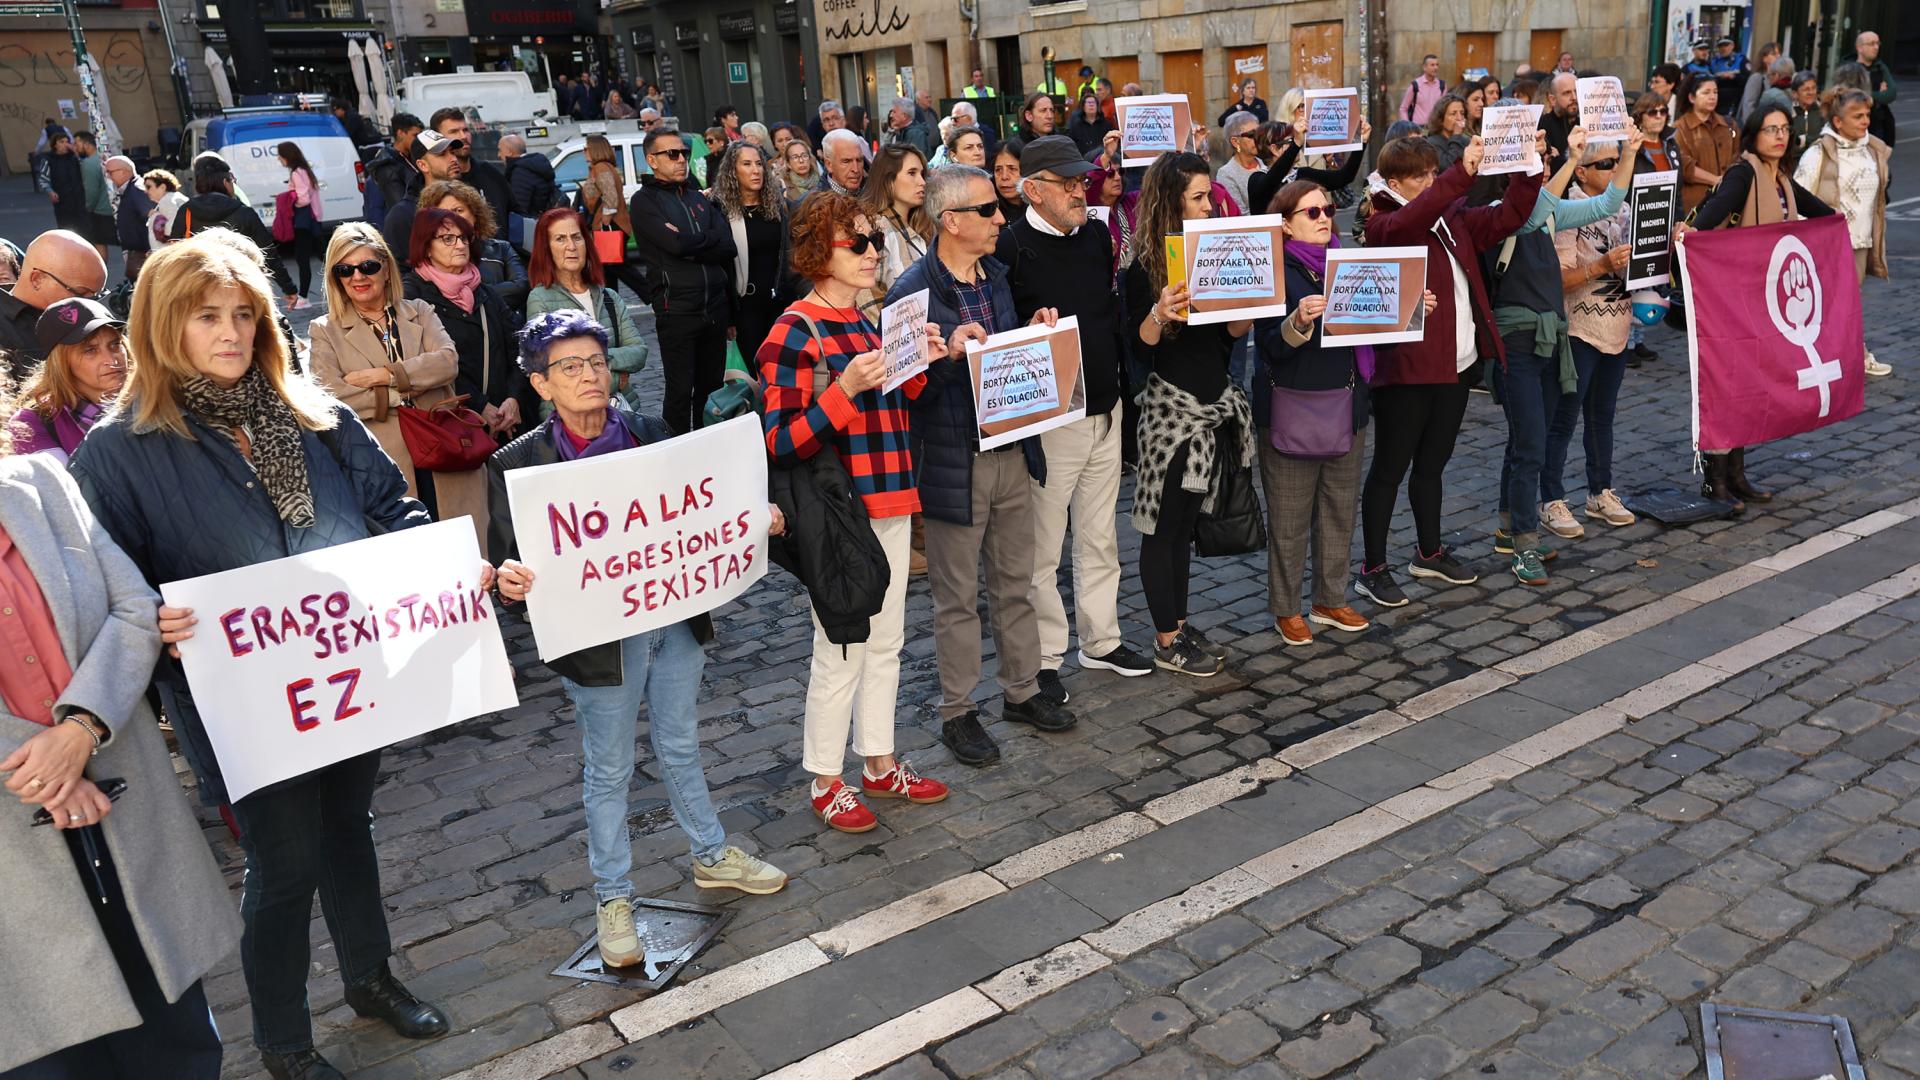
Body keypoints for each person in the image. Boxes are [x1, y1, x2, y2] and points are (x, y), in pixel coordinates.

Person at [68, 233, 456, 1080]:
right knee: (283, 864)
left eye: (244, 314)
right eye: (207, 316)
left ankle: (370, 979)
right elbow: (106, 596)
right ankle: (283, 1041)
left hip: (345, 674)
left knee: (349, 830)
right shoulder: (117, 450)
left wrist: (440, 565)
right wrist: (156, 622)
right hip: (235, 702)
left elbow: (393, 509)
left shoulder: (312, 412)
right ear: (163, 323)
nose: (231, 333)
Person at [490, 311, 788, 967]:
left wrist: (752, 515)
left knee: (681, 741)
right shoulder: (519, 464)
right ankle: (614, 898)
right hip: (598, 644)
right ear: (541, 384)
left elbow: (700, 508)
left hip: (671, 620)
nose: (589, 376)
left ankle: (711, 854)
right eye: (570, 367)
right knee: (609, 769)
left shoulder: (652, 434)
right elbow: (505, 566)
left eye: (597, 362)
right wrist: (509, 584)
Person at [0, 386, 238, 1080]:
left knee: (175, 1036)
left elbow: (135, 608)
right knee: (52, 1052)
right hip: (14, 854)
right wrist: (41, 770)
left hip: (124, 812)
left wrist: (81, 729)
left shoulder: (42, 483)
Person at [759, 192, 957, 827]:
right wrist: (844, 389)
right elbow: (780, 440)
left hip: (891, 495)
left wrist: (922, 360)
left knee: (887, 642)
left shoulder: (869, 318)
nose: (874, 252)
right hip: (838, 511)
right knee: (843, 644)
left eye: (874, 240)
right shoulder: (796, 329)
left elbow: (895, 404)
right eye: (859, 243)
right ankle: (825, 779)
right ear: (821, 253)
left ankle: (878, 762)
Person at [889, 164, 1076, 762]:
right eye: (988, 210)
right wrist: (945, 357)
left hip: (1012, 452)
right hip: (953, 460)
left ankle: (1021, 690)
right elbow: (903, 391)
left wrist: (1032, 336)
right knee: (957, 598)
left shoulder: (996, 275)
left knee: (1015, 584)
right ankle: (958, 711)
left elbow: (1000, 361)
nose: (1002, 218)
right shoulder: (911, 292)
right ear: (951, 221)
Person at [999, 136, 1154, 696]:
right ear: (1033, 190)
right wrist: (1023, 330)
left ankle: (1101, 639)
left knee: (1099, 536)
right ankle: (1043, 657)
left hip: (1106, 406)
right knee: (1042, 547)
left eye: (1079, 181)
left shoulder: (1094, 235)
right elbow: (997, 334)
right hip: (1051, 418)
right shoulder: (1010, 247)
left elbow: (1109, 313)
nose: (1078, 191)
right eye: (1066, 183)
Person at [1357, 134, 1539, 608]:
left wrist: (1528, 165)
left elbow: (1509, 216)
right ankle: (1372, 567)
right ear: (1393, 182)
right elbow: (1410, 221)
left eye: (1433, 173)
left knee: (1432, 465)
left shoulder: (1448, 214)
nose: (1430, 182)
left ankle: (1429, 551)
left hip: (1455, 364)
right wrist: (1461, 174)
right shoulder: (1384, 221)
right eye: (1419, 176)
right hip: (1406, 369)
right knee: (1389, 469)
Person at [1258, 180, 1431, 645]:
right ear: (1285, 223)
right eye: (1311, 212)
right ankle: (1287, 609)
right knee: (1290, 518)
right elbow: (1270, 347)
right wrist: (1297, 322)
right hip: (1293, 407)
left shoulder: (1347, 264)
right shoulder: (1275, 270)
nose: (1324, 219)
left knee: (1338, 509)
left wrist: (1410, 309)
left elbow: (1373, 328)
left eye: (1328, 210)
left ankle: (1330, 598)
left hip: (1347, 403)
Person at [1481, 118, 1637, 579]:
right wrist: (1571, 159)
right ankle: (1525, 544)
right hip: (1516, 342)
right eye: (1534, 157)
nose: (1543, 161)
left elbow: (1608, 202)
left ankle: (1508, 528)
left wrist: (1629, 152)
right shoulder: (1499, 214)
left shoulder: (1549, 211)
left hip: (1550, 339)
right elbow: (1531, 213)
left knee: (1525, 439)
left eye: (1544, 156)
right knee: (1531, 441)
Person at [1123, 151, 1253, 677]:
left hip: (1213, 404)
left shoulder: (1211, 254)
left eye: (1209, 196)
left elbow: (1228, 338)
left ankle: (1177, 622)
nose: (1209, 206)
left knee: (1183, 528)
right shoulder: (1143, 268)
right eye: (1198, 197)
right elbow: (1140, 347)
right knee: (1163, 527)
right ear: (1170, 202)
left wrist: (1249, 304)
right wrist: (1160, 311)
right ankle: (1165, 639)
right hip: (1172, 416)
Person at [1680, 104, 1836, 508]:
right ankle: (1715, 481)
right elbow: (1711, 216)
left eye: (1784, 129)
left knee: (1749, 386)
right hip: (1734, 298)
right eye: (1771, 129)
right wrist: (1691, 234)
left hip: (1766, 298)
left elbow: (1816, 210)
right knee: (1728, 385)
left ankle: (1737, 476)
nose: (1780, 136)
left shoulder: (1779, 178)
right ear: (1753, 135)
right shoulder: (1744, 174)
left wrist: (1836, 225)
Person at [306, 220, 485, 526]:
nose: (358, 277)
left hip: (446, 452)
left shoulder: (420, 310)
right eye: (345, 270)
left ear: (386, 269)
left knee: (465, 543)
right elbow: (331, 398)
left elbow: (447, 362)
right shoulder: (324, 330)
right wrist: (398, 394)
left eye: (368, 266)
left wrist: (384, 376)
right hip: (386, 465)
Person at [1543, 138, 1643, 542]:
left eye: (1617, 161)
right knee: (1564, 417)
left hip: (1618, 327)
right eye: (1605, 164)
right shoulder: (1569, 211)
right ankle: (1551, 498)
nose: (1614, 168)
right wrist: (1601, 266)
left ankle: (1600, 491)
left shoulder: (1626, 208)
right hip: (1579, 329)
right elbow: (1557, 280)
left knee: (1603, 416)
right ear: (1581, 172)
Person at [401, 209, 523, 538]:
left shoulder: (485, 292)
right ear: (426, 247)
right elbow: (433, 363)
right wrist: (480, 405)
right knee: (471, 518)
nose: (460, 245)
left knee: (512, 514)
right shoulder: (414, 297)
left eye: (464, 238)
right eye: (447, 238)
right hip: (455, 425)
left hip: (505, 421)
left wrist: (512, 398)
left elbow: (517, 348)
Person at [630, 127, 736, 434]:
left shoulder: (696, 198)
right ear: (652, 160)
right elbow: (674, 245)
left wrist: (692, 242)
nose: (681, 160)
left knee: (711, 390)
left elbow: (727, 246)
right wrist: (705, 240)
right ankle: (675, 448)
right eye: (672, 154)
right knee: (679, 392)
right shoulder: (644, 201)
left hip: (713, 308)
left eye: (684, 153)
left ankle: (708, 446)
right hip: (676, 309)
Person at [1796, 87, 1892, 378]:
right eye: (1858, 116)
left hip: (1861, 241)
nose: (1865, 121)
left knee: (1847, 303)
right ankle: (1851, 356)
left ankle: (1842, 356)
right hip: (1828, 245)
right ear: (1838, 122)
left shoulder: (1873, 149)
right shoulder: (1818, 154)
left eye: (1867, 115)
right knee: (1833, 304)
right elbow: (1799, 198)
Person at [524, 207, 649, 412]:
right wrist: (615, 378)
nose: (571, 246)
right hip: (571, 417)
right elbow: (555, 370)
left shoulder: (609, 297)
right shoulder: (540, 300)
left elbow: (639, 352)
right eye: (560, 239)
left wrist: (588, 361)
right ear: (546, 248)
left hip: (622, 412)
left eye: (576, 237)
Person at [10, 296, 128, 463]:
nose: (111, 360)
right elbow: (57, 479)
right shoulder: (32, 424)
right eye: (90, 350)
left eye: (115, 345)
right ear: (61, 362)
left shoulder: (153, 396)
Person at [708, 141, 791, 365]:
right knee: (756, 370)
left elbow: (788, 254)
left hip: (780, 303)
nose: (756, 170)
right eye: (746, 164)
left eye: (759, 164)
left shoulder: (778, 206)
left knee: (782, 368)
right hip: (745, 308)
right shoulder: (719, 210)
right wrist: (728, 317)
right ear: (732, 171)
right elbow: (720, 266)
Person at [2, 230, 110, 379]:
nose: (87, 304)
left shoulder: (87, 313)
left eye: (97, 296)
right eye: (80, 293)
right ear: (37, 279)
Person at [576, 133, 649, 305]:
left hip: (611, 225)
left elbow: (610, 196)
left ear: (595, 149)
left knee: (618, 266)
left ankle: (651, 296)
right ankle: (612, 305)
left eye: (586, 148)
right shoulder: (602, 167)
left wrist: (605, 221)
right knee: (609, 269)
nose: (584, 152)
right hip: (613, 225)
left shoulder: (601, 167)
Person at [861, 144, 933, 312]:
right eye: (912, 173)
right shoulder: (874, 228)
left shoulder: (925, 225)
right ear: (888, 179)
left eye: (922, 174)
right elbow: (868, 301)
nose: (922, 182)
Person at [381, 129, 463, 267]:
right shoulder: (403, 215)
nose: (453, 159)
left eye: (452, 152)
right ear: (423, 165)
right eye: (442, 154)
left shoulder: (468, 202)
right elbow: (399, 270)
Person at [427, 108, 511, 228]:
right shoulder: (435, 182)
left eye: (465, 130)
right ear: (438, 139)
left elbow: (515, 212)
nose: (463, 136)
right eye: (454, 132)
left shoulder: (490, 173)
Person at [1674, 73, 1736, 214]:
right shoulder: (1679, 128)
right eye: (1706, 92)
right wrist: (1715, 180)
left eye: (1715, 92)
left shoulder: (1729, 124)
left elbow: (1737, 156)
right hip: (1696, 205)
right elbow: (1683, 165)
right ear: (1692, 98)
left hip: (1729, 201)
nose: (1712, 97)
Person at [274, 141, 322, 310]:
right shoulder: (305, 170)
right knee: (322, 256)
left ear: (287, 156)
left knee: (302, 259)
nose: (278, 159)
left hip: (304, 222)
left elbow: (303, 199)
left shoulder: (296, 173)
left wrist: (290, 200)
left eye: (280, 155)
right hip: (314, 219)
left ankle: (304, 297)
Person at [364, 113, 423, 226]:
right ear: (400, 133)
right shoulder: (387, 166)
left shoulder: (410, 158)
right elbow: (399, 206)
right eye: (415, 135)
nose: (418, 140)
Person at [104, 155, 153, 282]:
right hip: (136, 253)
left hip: (142, 254)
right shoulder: (131, 188)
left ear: (124, 172)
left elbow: (152, 216)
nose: (108, 176)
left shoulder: (137, 189)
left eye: (110, 172)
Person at [500, 132, 559, 233]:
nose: (498, 154)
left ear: (509, 152)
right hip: (545, 222)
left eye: (500, 150)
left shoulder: (521, 172)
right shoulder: (534, 165)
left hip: (533, 229)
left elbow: (519, 209)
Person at [1850, 31, 1897, 145]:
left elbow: (1891, 94)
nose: (1876, 47)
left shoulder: (1880, 67)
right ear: (1860, 48)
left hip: (1879, 125)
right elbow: (1852, 96)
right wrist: (1878, 93)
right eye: (1871, 44)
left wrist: (1867, 94)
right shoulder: (1849, 69)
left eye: (1877, 43)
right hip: (1856, 126)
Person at [73, 132, 114, 264]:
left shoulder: (88, 163)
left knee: (99, 242)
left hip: (100, 211)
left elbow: (91, 191)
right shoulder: (106, 158)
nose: (75, 147)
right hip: (114, 206)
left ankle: (101, 272)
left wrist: (87, 207)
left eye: (77, 144)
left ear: (86, 144)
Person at [40, 131, 87, 239]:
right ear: (55, 145)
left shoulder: (74, 157)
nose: (65, 144)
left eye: (67, 142)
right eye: (62, 142)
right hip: (62, 199)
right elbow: (43, 179)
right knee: (67, 228)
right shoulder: (48, 159)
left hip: (79, 197)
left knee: (83, 228)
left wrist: (75, 152)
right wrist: (50, 191)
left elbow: (85, 167)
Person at [1217, 112, 1264, 218]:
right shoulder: (1226, 174)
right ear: (1235, 142)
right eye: (1251, 135)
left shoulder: (1267, 164)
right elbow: (1240, 215)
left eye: (1260, 134)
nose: (1258, 139)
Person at [1739, 53, 1795, 123]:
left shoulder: (1770, 95)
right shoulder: (1796, 92)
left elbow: (1759, 117)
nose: (1769, 79)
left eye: (1770, 75)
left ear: (1776, 75)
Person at [1540, 72, 1580, 168]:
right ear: (1552, 100)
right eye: (1567, 93)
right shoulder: (1542, 127)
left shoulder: (1586, 124)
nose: (1574, 97)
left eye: (1576, 91)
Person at [1425, 92, 1473, 171]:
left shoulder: (1466, 141)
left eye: (1462, 113)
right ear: (1441, 119)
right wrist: (1456, 135)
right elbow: (1448, 167)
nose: (1459, 118)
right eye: (1453, 114)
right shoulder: (1431, 144)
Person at [1788, 71, 1824, 169]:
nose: (1811, 92)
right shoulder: (1789, 114)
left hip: (1818, 162)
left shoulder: (1823, 111)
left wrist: (1803, 140)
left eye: (1813, 88)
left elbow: (1825, 137)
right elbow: (1791, 142)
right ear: (1795, 94)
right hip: (1794, 164)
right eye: (1806, 89)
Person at [143, 168, 188, 248]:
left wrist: (156, 217)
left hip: (170, 251)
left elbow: (173, 229)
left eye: (148, 187)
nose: (145, 191)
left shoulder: (166, 201)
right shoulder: (175, 197)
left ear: (163, 187)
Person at [1400, 55, 1447, 126]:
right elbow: (1403, 108)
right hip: (1418, 128)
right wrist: (1407, 126)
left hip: (1436, 128)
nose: (1436, 68)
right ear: (1424, 67)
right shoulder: (1415, 85)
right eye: (1432, 65)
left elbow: (1444, 109)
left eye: (1437, 65)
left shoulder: (1442, 85)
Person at [821, 128, 870, 195]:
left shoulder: (873, 193)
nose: (855, 169)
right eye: (846, 161)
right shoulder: (814, 200)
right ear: (829, 165)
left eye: (859, 160)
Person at [778, 134, 824, 201]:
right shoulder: (783, 186)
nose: (801, 161)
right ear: (788, 164)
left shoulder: (822, 180)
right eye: (795, 157)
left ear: (810, 159)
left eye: (804, 156)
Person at [1068, 91, 1114, 157]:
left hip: (1101, 158)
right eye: (1088, 102)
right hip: (1083, 159)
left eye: (1093, 102)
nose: (1091, 105)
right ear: (1083, 107)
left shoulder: (1106, 125)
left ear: (1097, 107)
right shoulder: (1076, 126)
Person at [1711, 37, 1749, 113]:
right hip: (1718, 101)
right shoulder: (1714, 62)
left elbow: (1748, 80)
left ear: (1732, 46)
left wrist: (1733, 76)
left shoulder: (1741, 60)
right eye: (1720, 46)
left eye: (1726, 45)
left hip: (1735, 101)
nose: (1723, 48)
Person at [992, 138, 1026, 220]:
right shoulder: (988, 211)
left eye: (1012, 169)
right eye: (998, 170)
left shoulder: (1041, 210)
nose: (1004, 177)